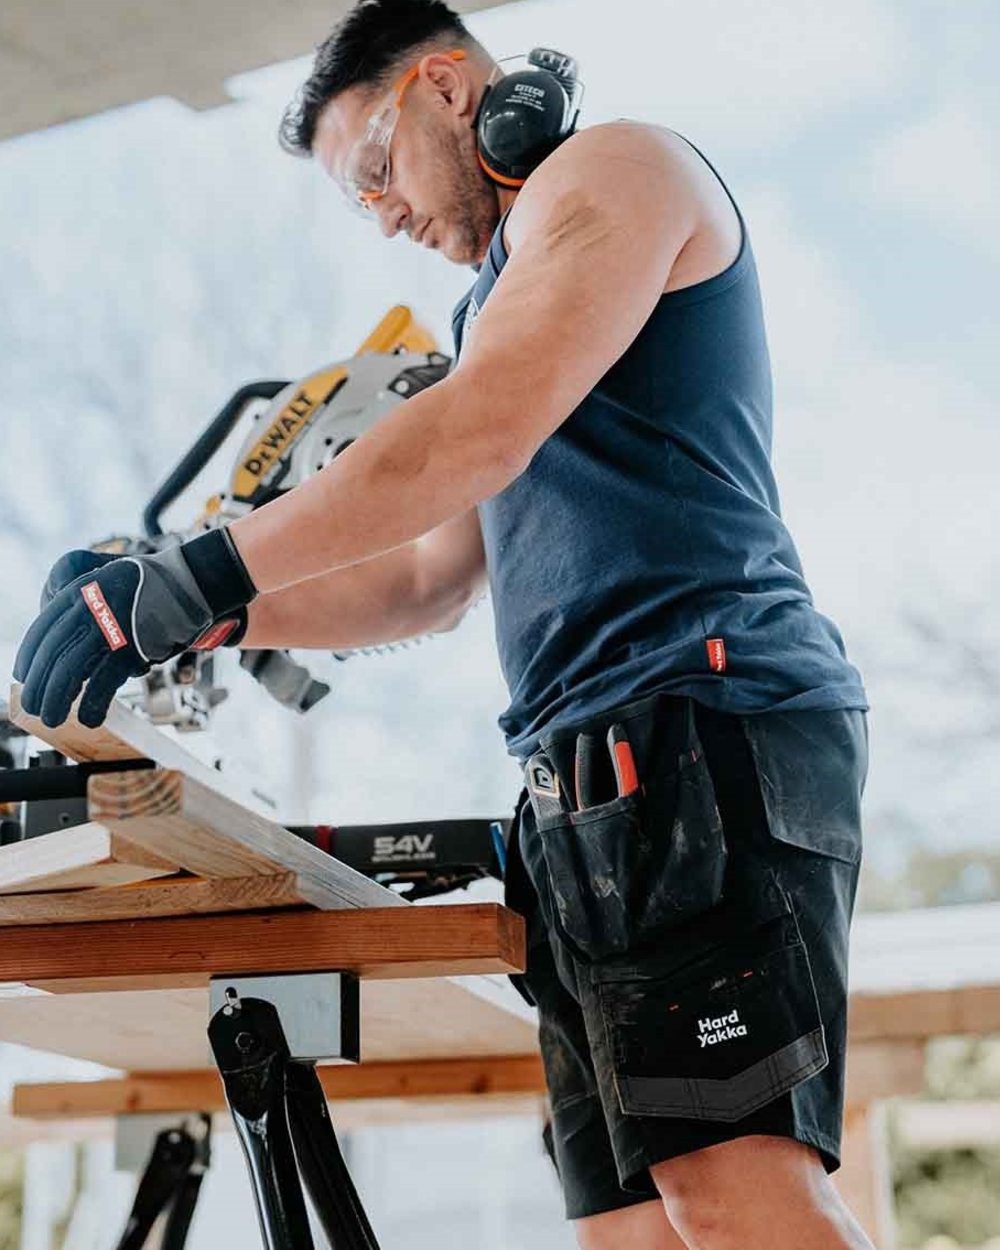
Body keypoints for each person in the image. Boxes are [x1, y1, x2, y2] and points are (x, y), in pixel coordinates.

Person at [14, 2, 874, 1246]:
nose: (383, 215)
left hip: (700, 725)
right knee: (631, 1225)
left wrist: (198, 569)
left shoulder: (614, 171)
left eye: (375, 169)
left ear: (445, 88)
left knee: (734, 1191)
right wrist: (184, 610)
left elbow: (473, 433)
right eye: (355, 203)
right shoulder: (495, 306)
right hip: (588, 787)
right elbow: (425, 575)